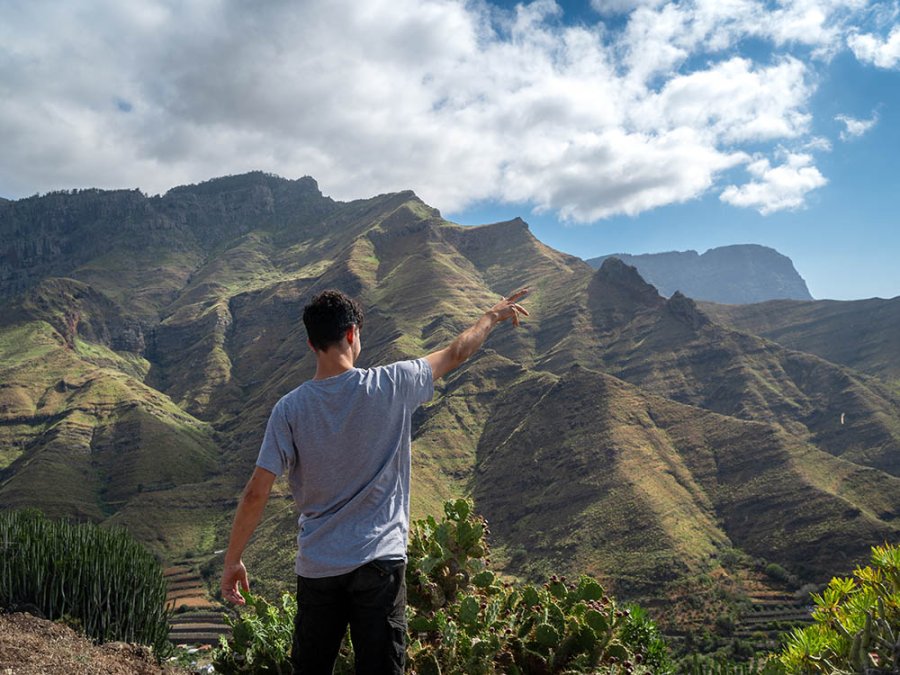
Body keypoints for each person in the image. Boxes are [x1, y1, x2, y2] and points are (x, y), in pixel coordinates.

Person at [220, 287, 529, 674]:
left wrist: (233, 560)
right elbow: (456, 353)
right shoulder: (393, 383)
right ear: (352, 334)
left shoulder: (289, 409)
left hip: (319, 566)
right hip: (379, 563)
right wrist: (490, 317)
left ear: (310, 343)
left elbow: (255, 493)